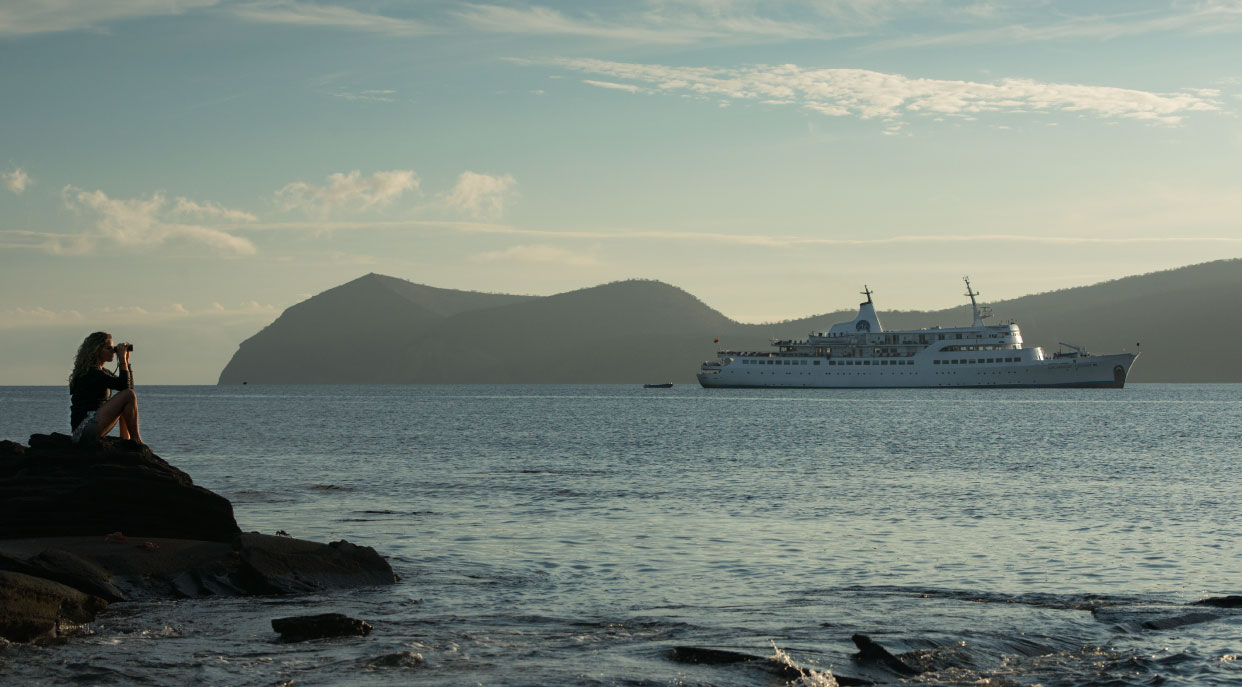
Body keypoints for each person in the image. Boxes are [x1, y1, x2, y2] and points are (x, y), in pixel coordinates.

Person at [69, 331, 143, 445]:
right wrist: (122, 360)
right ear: (96, 350)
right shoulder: (91, 373)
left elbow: (128, 388)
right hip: (84, 430)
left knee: (127, 398)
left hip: (90, 427)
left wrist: (127, 362)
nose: (112, 351)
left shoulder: (101, 372)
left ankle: (126, 440)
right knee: (128, 396)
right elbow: (126, 389)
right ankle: (136, 441)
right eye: (108, 348)